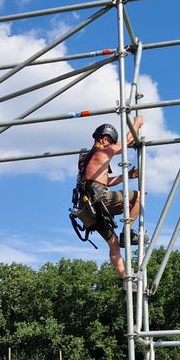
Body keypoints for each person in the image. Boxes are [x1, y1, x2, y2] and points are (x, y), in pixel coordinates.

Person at [74, 116, 144, 276]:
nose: (113, 146)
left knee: (114, 244)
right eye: (112, 142)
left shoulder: (88, 157)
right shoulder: (103, 150)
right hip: (99, 199)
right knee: (139, 196)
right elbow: (127, 142)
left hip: (87, 207)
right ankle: (128, 232)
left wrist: (127, 175)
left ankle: (125, 278)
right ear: (105, 139)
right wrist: (137, 123)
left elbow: (105, 182)